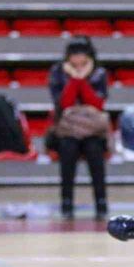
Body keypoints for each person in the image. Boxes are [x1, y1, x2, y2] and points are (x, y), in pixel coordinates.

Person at [48, 36, 109, 220]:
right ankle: (66, 202)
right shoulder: (58, 72)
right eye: (74, 55)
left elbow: (97, 103)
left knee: (94, 150)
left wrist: (82, 80)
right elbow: (63, 103)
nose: (77, 59)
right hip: (67, 129)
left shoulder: (99, 73)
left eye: (82, 54)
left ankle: (101, 201)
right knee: (68, 149)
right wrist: (75, 79)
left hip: (92, 129)